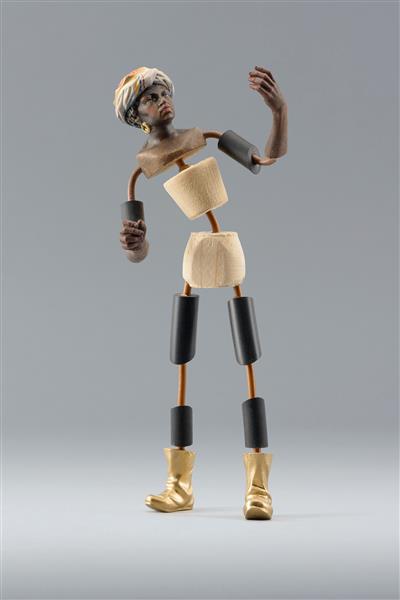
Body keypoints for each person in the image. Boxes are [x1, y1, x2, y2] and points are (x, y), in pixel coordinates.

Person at [114, 65, 287, 519]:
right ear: (137, 117)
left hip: (227, 250)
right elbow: (138, 251)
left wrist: (278, 112)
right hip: (194, 256)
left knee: (248, 361)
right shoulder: (140, 171)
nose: (161, 101)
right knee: (182, 365)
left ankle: (258, 486)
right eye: (149, 98)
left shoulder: (203, 137)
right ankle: (179, 483)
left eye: (162, 92)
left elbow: (266, 159)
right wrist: (134, 242)